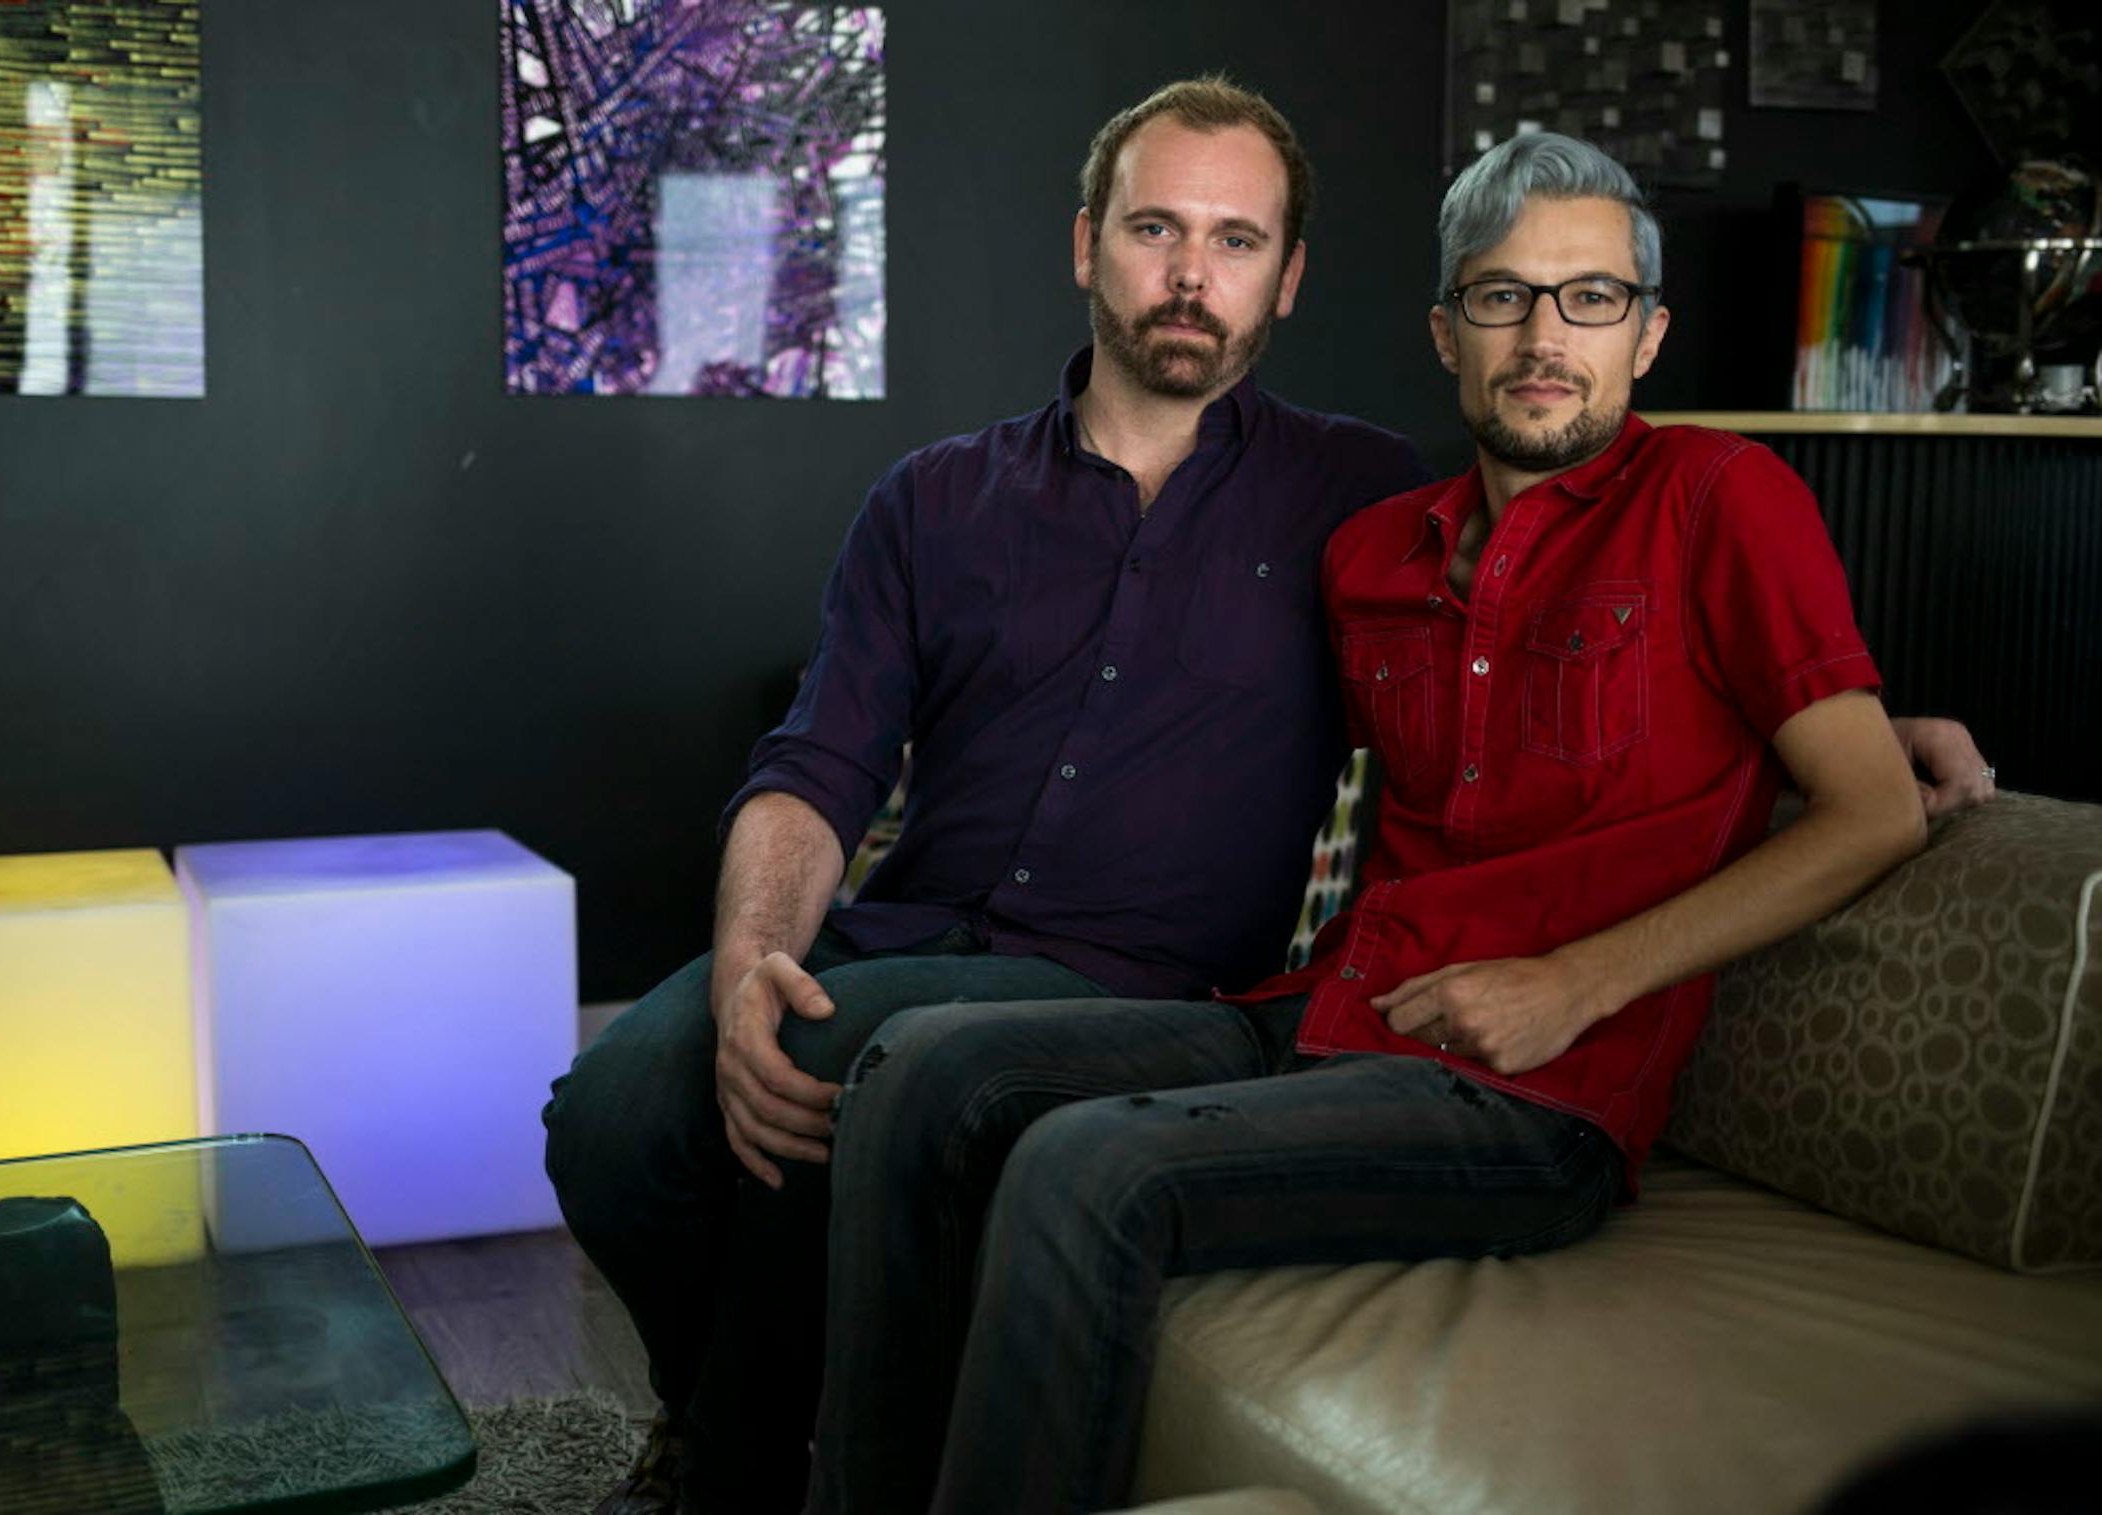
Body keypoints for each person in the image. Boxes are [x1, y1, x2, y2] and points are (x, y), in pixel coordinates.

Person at [542, 80, 1991, 1515]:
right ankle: (739, 1431)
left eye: (1235, 240)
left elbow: (1688, 665)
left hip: (1248, 994)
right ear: (1087, 244)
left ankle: (741, 1480)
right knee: (623, 1109)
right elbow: (816, 764)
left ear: (1288, 279)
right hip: (1107, 972)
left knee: (859, 1071)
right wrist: (748, 964)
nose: (1190, 273)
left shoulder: (1383, 495)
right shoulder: (1067, 512)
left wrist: (1845, 720)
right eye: (1156, 228)